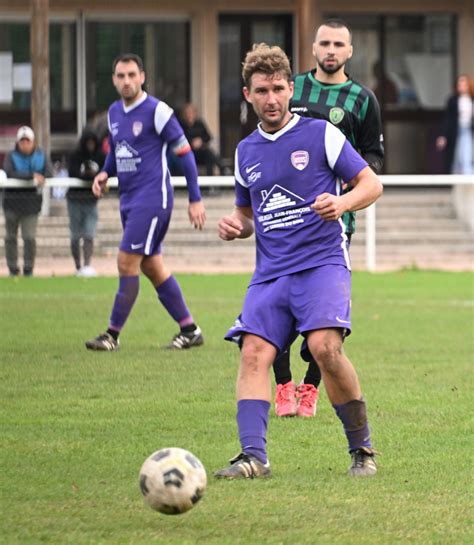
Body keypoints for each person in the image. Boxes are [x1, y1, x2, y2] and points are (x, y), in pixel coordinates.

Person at [215, 43, 383, 479]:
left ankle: (361, 450)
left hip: (322, 263)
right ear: (247, 94)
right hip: (270, 273)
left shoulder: (321, 134)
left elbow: (371, 184)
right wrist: (236, 224)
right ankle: (254, 457)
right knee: (253, 354)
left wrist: (342, 202)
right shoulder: (245, 151)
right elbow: (248, 214)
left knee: (324, 348)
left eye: (277, 88)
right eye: (260, 90)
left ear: (291, 88)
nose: (270, 98)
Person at [273, 18, 385, 418]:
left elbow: (374, 157)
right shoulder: (292, 89)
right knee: (277, 307)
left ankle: (310, 387)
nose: (331, 50)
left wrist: (344, 178)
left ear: (349, 52)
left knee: (325, 315)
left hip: (335, 224)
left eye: (339, 44)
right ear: (314, 48)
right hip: (283, 218)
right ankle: (283, 385)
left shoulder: (361, 98)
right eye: (324, 43)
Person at [85, 53, 206, 351]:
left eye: (131, 75)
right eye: (120, 76)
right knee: (152, 266)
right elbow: (117, 151)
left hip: (153, 199)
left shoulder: (158, 111)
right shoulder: (113, 113)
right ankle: (190, 329)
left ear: (142, 77)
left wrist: (195, 199)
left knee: (126, 260)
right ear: (114, 80)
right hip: (128, 199)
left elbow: (185, 153)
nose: (126, 81)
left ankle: (111, 335)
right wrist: (104, 172)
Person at [2, 126, 53, 277]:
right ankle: (12, 269)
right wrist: (32, 176)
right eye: (22, 141)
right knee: (10, 237)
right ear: (17, 143)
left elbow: (49, 172)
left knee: (29, 237)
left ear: (33, 142)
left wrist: (39, 177)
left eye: (27, 141)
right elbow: (9, 173)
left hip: (31, 204)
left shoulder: (41, 155)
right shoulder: (11, 156)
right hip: (11, 203)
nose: (24, 144)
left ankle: (28, 269)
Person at [67, 129, 105, 276]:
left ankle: (87, 265)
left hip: (91, 201)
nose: (90, 146)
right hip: (75, 200)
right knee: (75, 234)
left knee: (89, 233)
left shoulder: (100, 156)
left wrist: (92, 176)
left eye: (92, 142)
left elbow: (105, 172)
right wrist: (89, 176)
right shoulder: (75, 156)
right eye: (88, 142)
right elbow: (73, 173)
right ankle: (77, 266)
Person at [436, 74, 474, 175]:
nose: (461, 86)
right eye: (459, 84)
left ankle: (469, 183)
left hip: (469, 131)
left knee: (467, 157)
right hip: (456, 131)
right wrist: (443, 136)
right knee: (456, 158)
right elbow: (447, 119)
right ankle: (458, 185)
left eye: (463, 84)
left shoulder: (471, 100)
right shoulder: (453, 100)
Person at [176, 103, 226, 175]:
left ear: (194, 113)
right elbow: (178, 139)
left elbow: (208, 137)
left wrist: (201, 140)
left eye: (191, 112)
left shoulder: (199, 123)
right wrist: (191, 142)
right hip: (187, 152)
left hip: (200, 152)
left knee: (208, 154)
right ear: (184, 114)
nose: (189, 115)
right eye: (187, 113)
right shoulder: (181, 125)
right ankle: (221, 165)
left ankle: (217, 172)